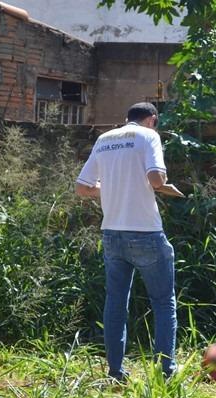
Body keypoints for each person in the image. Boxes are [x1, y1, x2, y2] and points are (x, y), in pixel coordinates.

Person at [75, 102, 184, 381]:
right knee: (163, 302)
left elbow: (82, 188)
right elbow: (156, 179)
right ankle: (166, 370)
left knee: (115, 303)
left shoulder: (105, 139)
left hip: (112, 233)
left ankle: (115, 372)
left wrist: (113, 187)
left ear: (127, 118)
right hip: (146, 232)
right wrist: (163, 185)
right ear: (152, 120)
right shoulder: (149, 136)